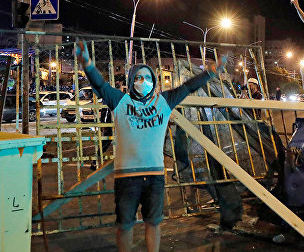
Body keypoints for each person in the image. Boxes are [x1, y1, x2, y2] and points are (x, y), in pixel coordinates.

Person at [75, 40, 226, 252]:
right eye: (137, 77)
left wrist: (210, 73)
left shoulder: (163, 101)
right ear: (130, 82)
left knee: (153, 223)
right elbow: (100, 85)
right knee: (125, 224)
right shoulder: (120, 101)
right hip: (126, 177)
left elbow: (188, 87)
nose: (142, 81)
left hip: (155, 177)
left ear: (153, 81)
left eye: (147, 77)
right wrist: (88, 65)